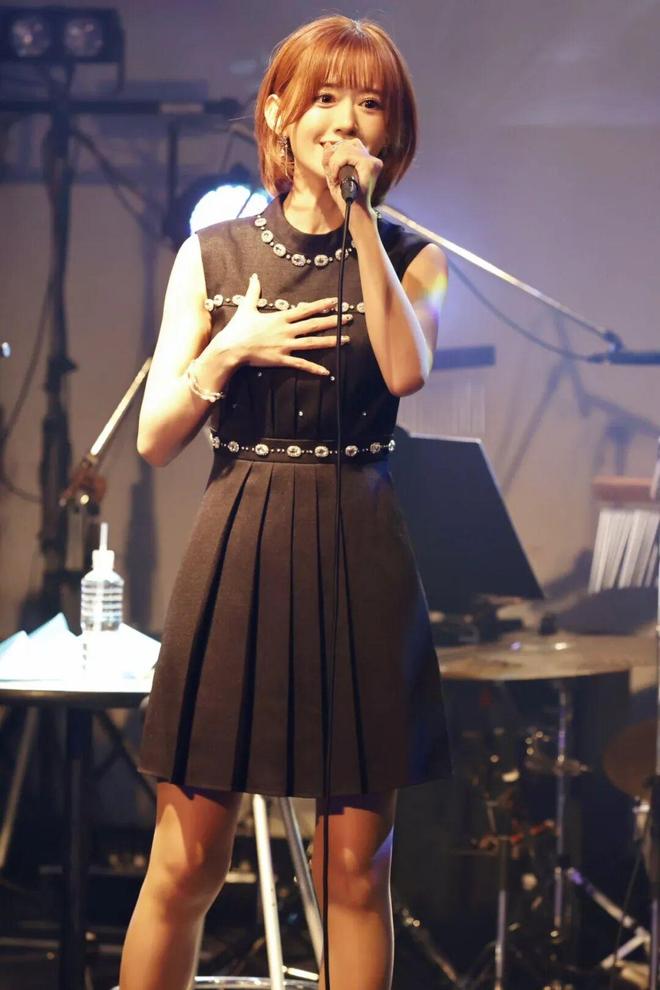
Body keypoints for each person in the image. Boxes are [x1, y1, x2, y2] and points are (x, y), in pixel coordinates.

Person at [120, 14, 450, 990]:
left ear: (391, 131)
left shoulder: (414, 255)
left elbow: (406, 370)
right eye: (327, 99)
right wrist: (227, 351)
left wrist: (361, 220)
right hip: (242, 548)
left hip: (359, 550)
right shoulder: (212, 254)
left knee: (357, 869)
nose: (347, 120)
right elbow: (154, 438)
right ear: (279, 115)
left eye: (370, 104)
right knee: (187, 862)